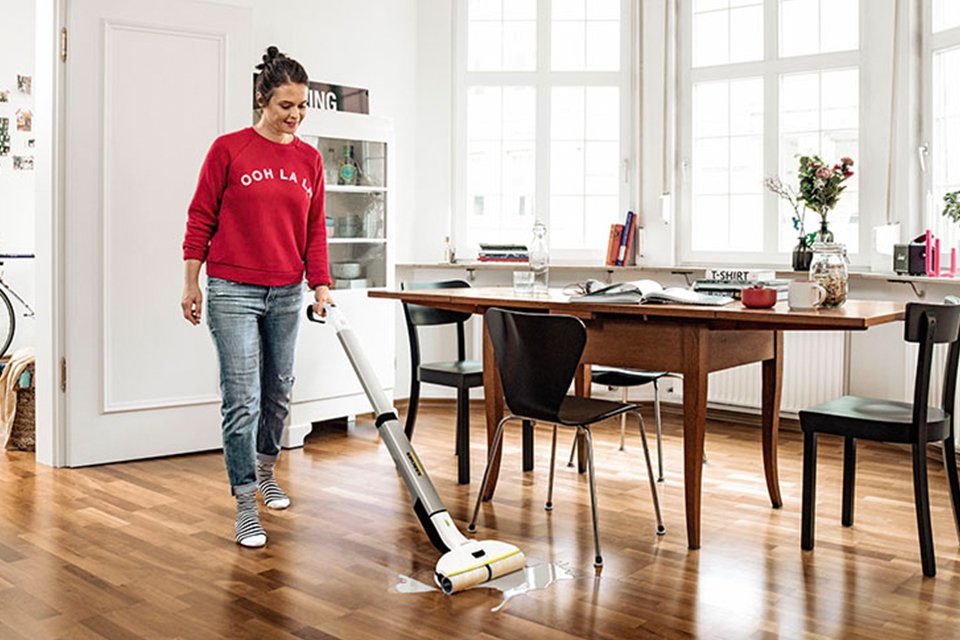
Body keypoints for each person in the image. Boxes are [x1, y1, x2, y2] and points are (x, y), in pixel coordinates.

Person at [180, 46, 333, 548]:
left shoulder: (309, 160)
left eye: (302, 105)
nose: (295, 115)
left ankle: (267, 472)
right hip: (232, 290)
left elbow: (314, 230)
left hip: (288, 291)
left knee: (279, 391)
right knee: (241, 399)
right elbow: (200, 218)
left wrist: (321, 284)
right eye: (286, 105)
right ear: (262, 101)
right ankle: (246, 501)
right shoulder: (229, 150)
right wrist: (190, 281)